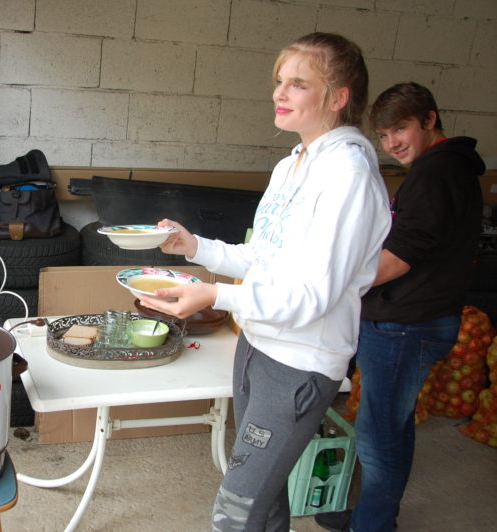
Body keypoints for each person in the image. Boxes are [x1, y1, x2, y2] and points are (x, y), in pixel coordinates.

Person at [139, 32, 391, 531]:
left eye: (297, 84)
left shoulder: (348, 173)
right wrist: (196, 249)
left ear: (338, 98)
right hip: (257, 345)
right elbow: (265, 255)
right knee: (265, 498)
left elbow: (312, 296)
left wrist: (212, 295)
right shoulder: (291, 164)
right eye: (279, 81)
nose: (279, 93)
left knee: (235, 511)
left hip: (300, 362)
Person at [314, 83, 485, 532]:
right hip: (415, 319)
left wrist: (337, 286)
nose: (393, 144)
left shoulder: (437, 173)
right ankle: (374, 514)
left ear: (429, 120)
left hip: (407, 324)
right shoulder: (447, 168)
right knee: (393, 425)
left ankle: (372, 526)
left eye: (402, 129)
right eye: (385, 135)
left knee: (377, 435)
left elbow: (404, 253)